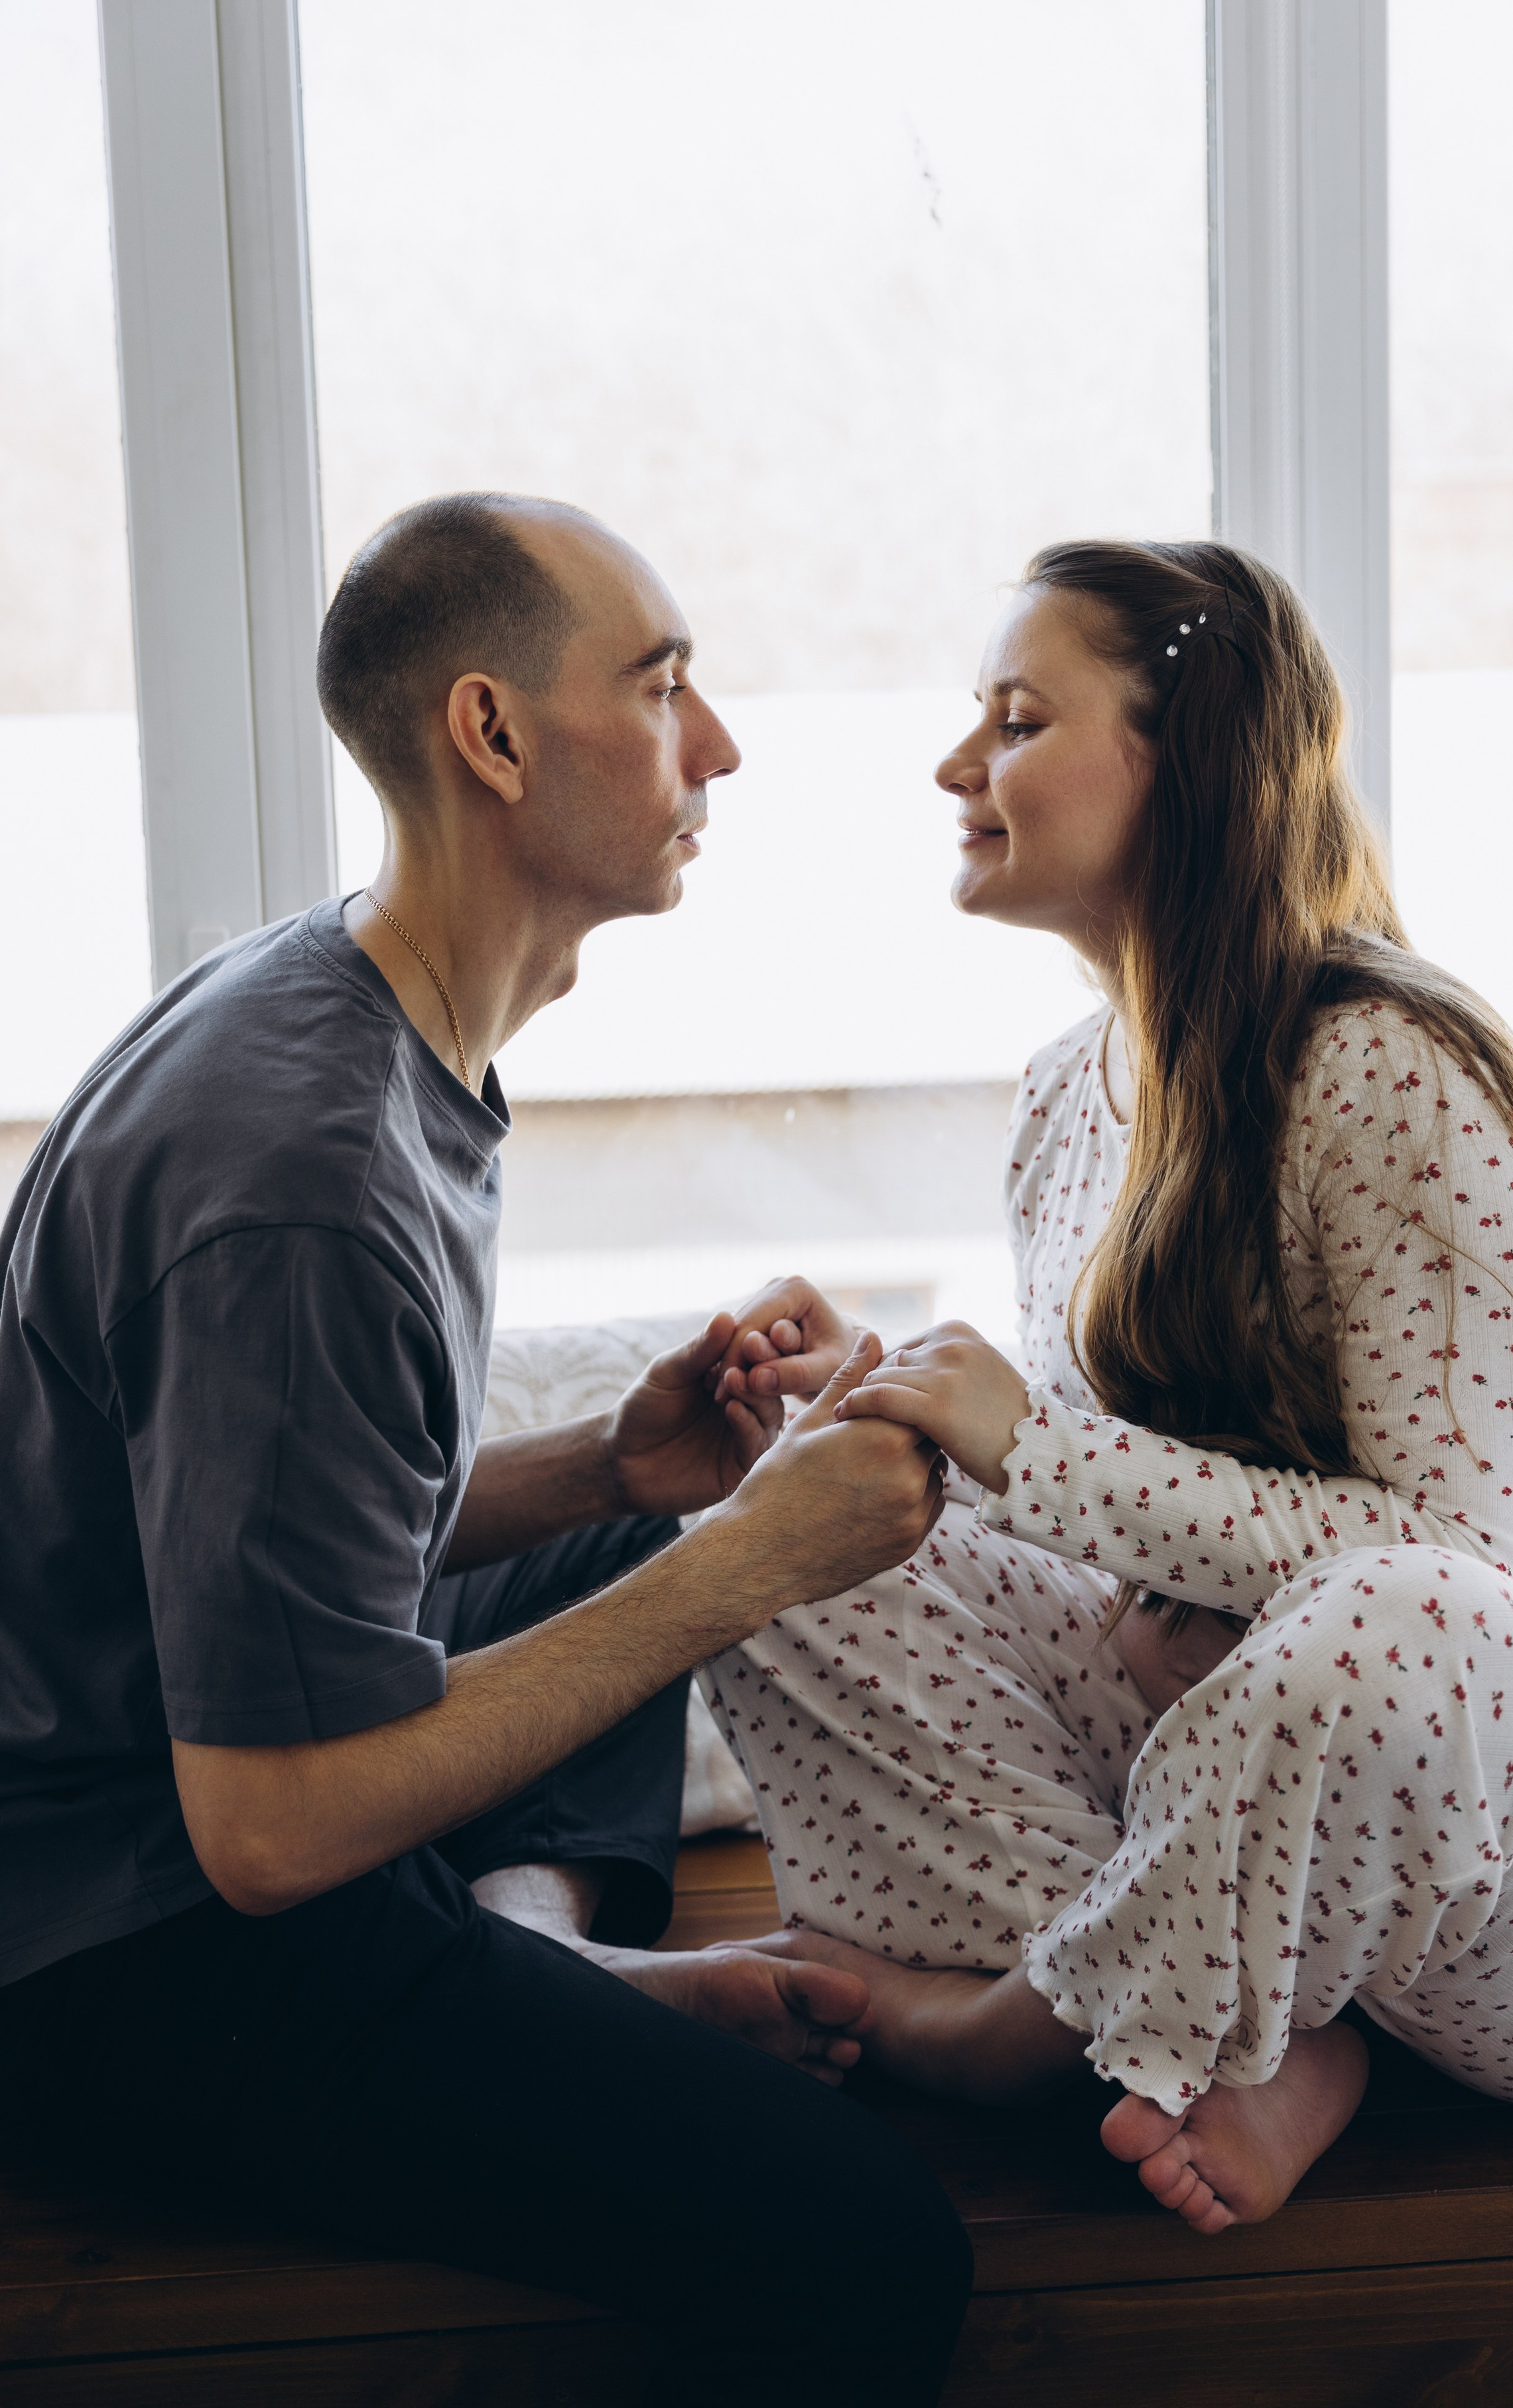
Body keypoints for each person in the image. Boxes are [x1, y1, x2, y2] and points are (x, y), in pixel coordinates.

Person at [0, 494, 972, 2404]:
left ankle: (543, 1951)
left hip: (159, 1782)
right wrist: (748, 1568)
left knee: (634, 1559)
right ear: (495, 736)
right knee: (876, 2256)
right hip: (117, 1950)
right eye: (665, 684)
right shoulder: (307, 1184)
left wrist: (615, 1481)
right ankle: (519, 1973)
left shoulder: (349, 1009)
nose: (721, 749)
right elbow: (267, 1833)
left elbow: (266, 1541)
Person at [705, 537, 1513, 2237]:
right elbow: (1119, 1532)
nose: (959, 766)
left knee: (1395, 1615)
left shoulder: (1388, 1062)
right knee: (787, 1532)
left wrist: (1028, 1448)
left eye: (1016, 719)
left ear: (1194, 761)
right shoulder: (1065, 1096)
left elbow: (1456, 1570)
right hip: (1272, 1824)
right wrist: (890, 1408)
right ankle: (1251, 2032)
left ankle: (1034, 2031)